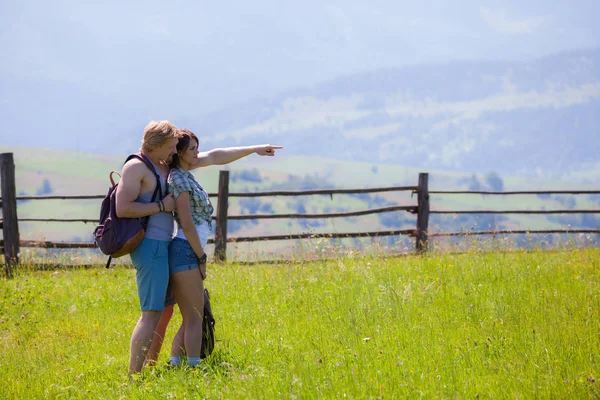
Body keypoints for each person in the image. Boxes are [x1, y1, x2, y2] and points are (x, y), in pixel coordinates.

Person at [161, 128, 282, 367]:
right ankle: (194, 368)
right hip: (187, 250)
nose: (197, 153)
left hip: (185, 251)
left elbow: (217, 156)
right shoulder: (179, 179)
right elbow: (186, 222)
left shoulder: (185, 172)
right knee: (195, 318)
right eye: (192, 149)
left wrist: (253, 149)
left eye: (197, 147)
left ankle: (175, 365)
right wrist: (201, 257)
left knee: (189, 318)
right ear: (180, 153)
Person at [115, 120, 180, 376]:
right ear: (157, 144)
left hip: (162, 244)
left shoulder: (161, 164)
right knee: (150, 313)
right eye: (171, 146)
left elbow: (211, 157)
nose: (174, 152)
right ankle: (133, 378)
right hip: (150, 245)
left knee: (163, 310)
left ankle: (148, 369)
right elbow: (123, 208)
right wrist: (163, 206)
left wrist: (254, 149)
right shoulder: (135, 167)